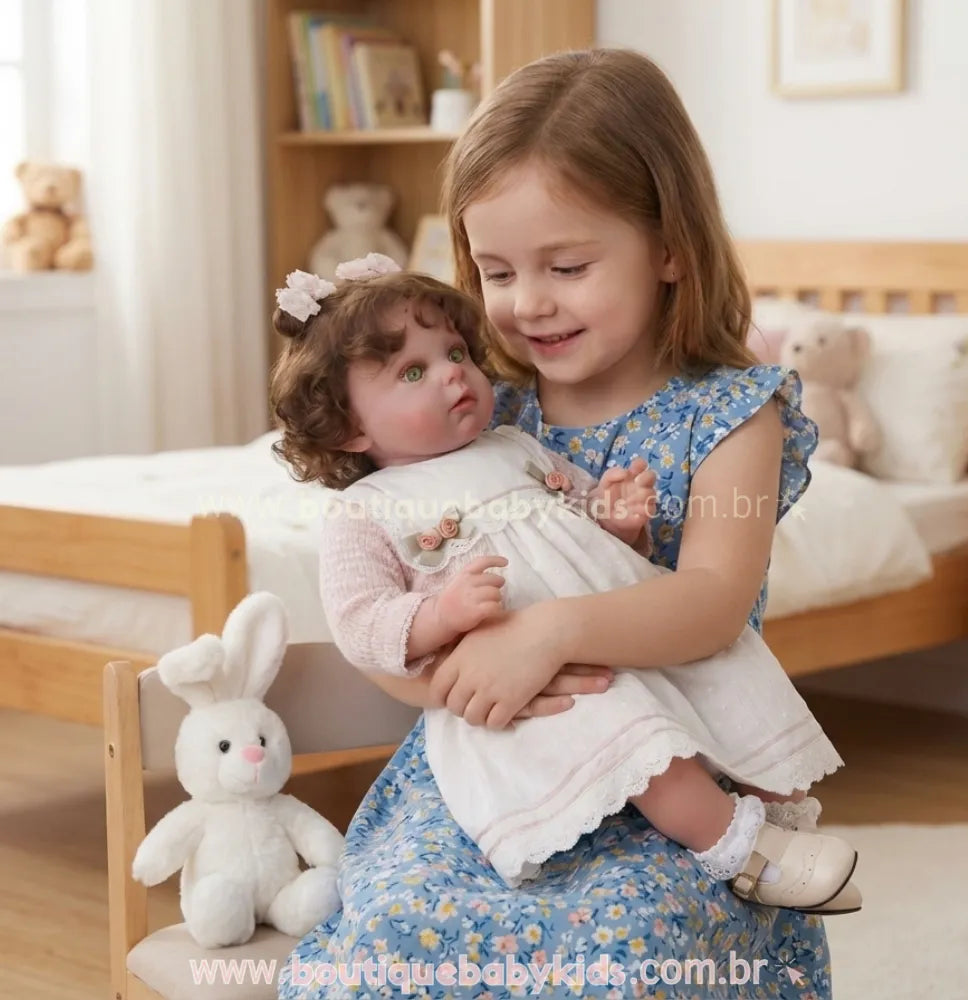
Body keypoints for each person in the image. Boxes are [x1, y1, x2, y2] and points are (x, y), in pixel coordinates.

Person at [278, 48, 841, 1000]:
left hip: (678, 773)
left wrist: (546, 635)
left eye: (567, 266)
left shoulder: (733, 412)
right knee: (401, 933)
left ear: (670, 247)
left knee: (625, 950)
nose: (527, 302)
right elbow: (378, 608)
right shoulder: (481, 409)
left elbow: (710, 603)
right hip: (489, 765)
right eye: (495, 271)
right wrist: (461, 680)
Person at [271, 254, 859, 914]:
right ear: (349, 426)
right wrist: (440, 614)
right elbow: (359, 619)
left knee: (725, 682)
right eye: (414, 371)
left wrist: (616, 519)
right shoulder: (367, 510)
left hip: (612, 624)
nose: (453, 374)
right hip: (540, 686)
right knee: (638, 743)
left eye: (456, 351)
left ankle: (780, 812)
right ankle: (736, 848)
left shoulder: (511, 444)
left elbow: (570, 521)